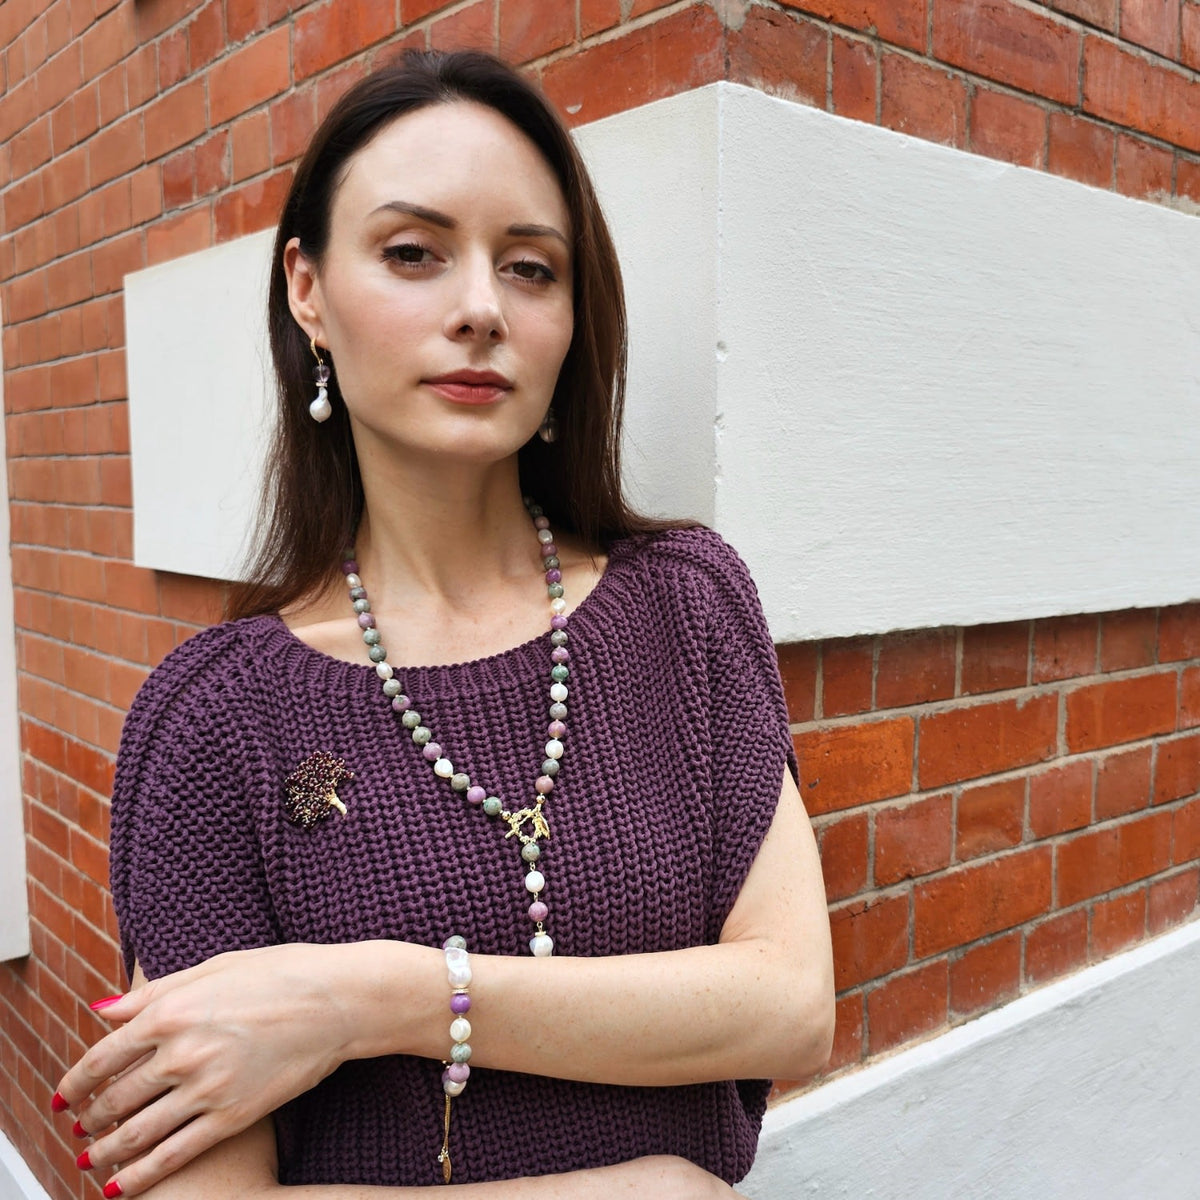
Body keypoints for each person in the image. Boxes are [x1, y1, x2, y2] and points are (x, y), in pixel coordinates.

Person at [52, 49, 835, 1199]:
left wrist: (377, 998)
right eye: (413, 253)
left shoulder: (686, 608)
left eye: (530, 267)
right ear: (307, 289)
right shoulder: (218, 722)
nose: (480, 309)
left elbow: (791, 1005)